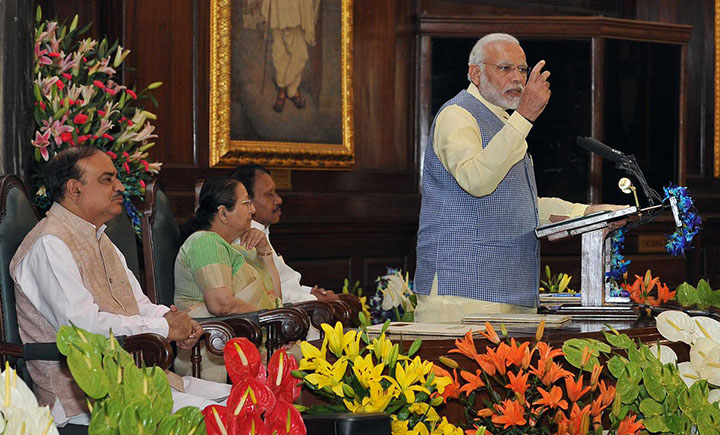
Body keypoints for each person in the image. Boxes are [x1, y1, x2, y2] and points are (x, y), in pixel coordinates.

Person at [11, 147, 230, 427]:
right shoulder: (49, 244)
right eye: (107, 179)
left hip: (139, 380)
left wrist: (175, 322)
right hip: (87, 399)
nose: (119, 187)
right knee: (224, 418)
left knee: (248, 400)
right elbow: (82, 329)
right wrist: (164, 329)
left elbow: (137, 304)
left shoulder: (102, 239)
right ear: (74, 190)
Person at [414, 33, 624, 322]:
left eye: (522, 70)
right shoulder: (458, 115)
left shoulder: (504, 122)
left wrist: (586, 213)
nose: (517, 79)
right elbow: (477, 181)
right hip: (463, 294)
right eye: (505, 68)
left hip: (508, 292)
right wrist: (524, 117)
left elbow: (515, 204)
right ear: (475, 73)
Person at [174, 176, 282, 381]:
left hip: (246, 346)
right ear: (223, 213)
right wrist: (273, 318)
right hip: (215, 357)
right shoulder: (205, 242)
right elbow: (221, 305)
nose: (253, 210)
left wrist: (265, 252)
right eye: (246, 202)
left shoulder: (235, 249)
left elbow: (275, 298)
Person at [232, 164, 338, 303]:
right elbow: (265, 294)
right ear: (247, 201)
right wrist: (313, 299)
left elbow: (284, 283)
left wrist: (309, 292)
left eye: (275, 192)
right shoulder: (245, 240)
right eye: (269, 195)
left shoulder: (262, 232)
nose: (278, 200)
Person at [263, 0, 320, 112]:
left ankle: (292, 90)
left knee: (299, 51)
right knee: (280, 51)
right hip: (279, 6)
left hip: (298, 6)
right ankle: (282, 90)